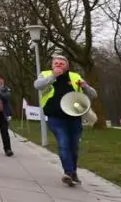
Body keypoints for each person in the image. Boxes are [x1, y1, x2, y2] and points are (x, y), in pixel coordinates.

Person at [34, 54, 97, 186]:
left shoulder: (75, 77)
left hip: (74, 118)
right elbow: (38, 86)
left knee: (74, 147)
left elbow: (93, 94)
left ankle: (73, 172)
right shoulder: (45, 74)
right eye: (55, 63)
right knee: (63, 143)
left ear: (67, 66)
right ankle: (68, 172)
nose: (58, 65)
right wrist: (53, 77)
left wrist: (85, 86)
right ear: (52, 65)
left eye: (61, 63)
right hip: (55, 117)